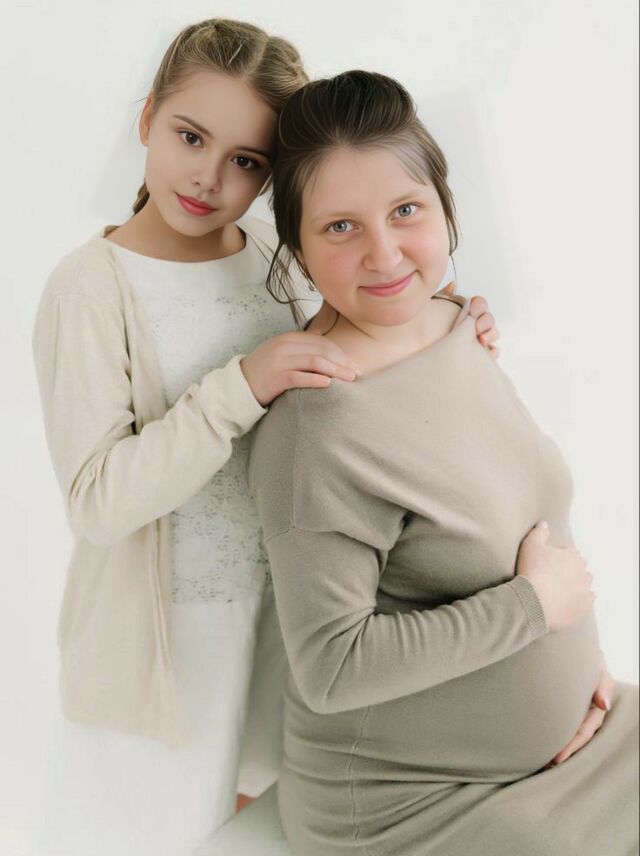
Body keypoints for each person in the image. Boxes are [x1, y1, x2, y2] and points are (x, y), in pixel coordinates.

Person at [29, 21, 500, 856]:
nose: (210, 177)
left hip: (296, 619)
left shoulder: (276, 250)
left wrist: (443, 324)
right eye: (190, 136)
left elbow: (352, 351)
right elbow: (97, 503)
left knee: (277, 830)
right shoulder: (90, 288)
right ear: (148, 118)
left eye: (247, 160)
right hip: (169, 645)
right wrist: (239, 388)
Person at [247, 70, 639, 856]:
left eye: (406, 210)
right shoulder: (316, 429)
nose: (384, 252)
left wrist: (577, 667)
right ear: (298, 248)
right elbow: (331, 666)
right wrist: (535, 609)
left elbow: (516, 514)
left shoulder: (456, 322)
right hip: (408, 805)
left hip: (584, 735)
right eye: (341, 227)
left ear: (444, 206)